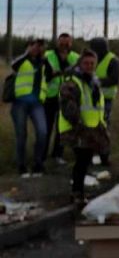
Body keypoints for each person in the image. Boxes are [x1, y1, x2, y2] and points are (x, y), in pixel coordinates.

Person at [56, 50, 108, 200]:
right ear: (80, 64)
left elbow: (96, 107)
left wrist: (101, 125)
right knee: (82, 160)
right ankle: (77, 192)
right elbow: (69, 108)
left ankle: (78, 191)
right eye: (86, 63)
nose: (89, 66)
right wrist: (78, 125)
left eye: (92, 63)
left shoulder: (93, 82)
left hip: (91, 128)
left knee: (85, 161)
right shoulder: (72, 82)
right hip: (76, 129)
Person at [9, 39, 52, 176]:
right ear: (28, 47)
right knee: (21, 135)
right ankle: (21, 165)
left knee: (42, 132)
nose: (36, 49)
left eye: (39, 47)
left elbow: (50, 74)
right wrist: (27, 54)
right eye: (34, 46)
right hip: (20, 102)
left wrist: (44, 58)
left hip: (37, 103)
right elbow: (13, 65)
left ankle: (38, 163)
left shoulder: (43, 62)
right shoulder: (22, 60)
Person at [45, 32, 79, 164]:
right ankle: (42, 156)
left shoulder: (75, 57)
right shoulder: (48, 55)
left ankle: (57, 155)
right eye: (62, 43)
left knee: (61, 128)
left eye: (67, 43)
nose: (64, 46)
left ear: (71, 43)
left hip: (66, 97)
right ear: (57, 43)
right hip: (49, 96)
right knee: (47, 128)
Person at [89, 37, 119, 166]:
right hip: (90, 98)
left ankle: (104, 157)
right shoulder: (91, 59)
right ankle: (89, 156)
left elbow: (114, 79)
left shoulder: (113, 60)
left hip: (106, 99)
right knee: (90, 127)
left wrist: (97, 82)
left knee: (103, 127)